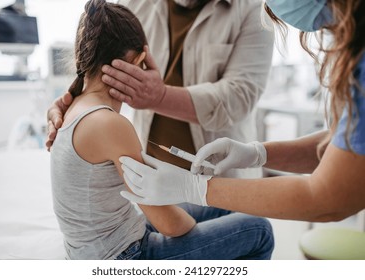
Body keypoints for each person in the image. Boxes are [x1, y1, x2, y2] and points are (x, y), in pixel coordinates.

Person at [50, 0, 273, 260]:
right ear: (140, 61)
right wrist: (202, 238)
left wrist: (159, 96)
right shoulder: (111, 124)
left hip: (102, 243)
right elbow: (172, 226)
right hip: (124, 254)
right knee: (259, 229)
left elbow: (239, 96)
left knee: (230, 209)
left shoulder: (75, 109)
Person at [119, 0, 365, 222]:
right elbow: (341, 146)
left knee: (257, 235)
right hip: (157, 178)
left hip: (222, 187)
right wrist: (258, 154)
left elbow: (327, 199)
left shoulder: (249, 9)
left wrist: (195, 188)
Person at [47, 0, 275, 180]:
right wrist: (76, 101)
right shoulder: (136, 3)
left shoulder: (254, 11)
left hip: (221, 178)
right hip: (153, 172)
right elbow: (101, 60)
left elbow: (237, 98)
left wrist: (160, 97)